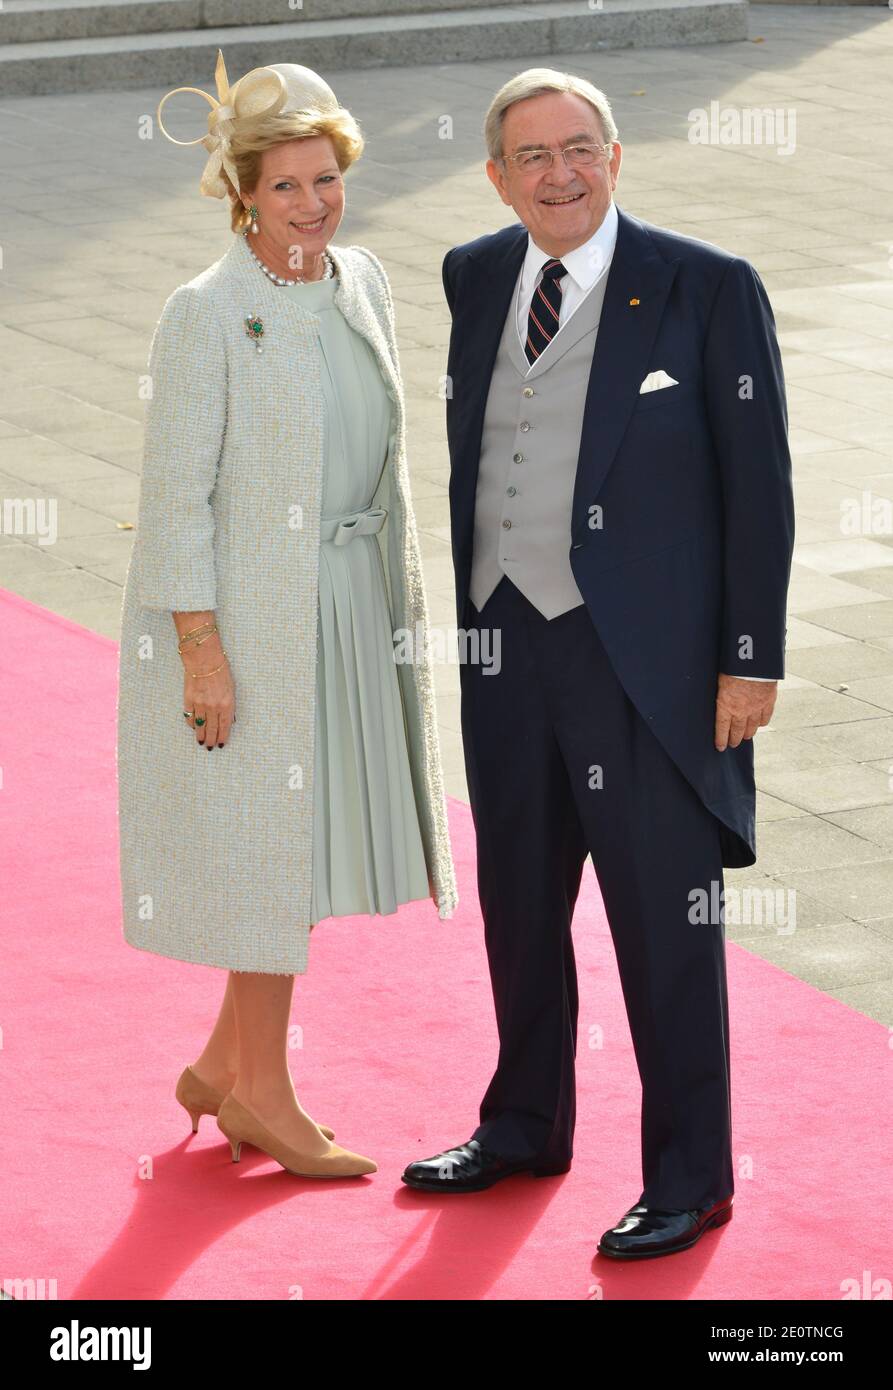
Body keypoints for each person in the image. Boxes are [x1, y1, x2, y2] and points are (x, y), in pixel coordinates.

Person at [401, 68, 794, 1259]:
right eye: (531, 156)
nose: (558, 174)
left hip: (649, 665)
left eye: (578, 149)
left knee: (662, 924)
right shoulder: (474, 276)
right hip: (503, 643)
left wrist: (747, 658)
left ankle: (689, 1172)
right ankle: (524, 1119)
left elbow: (758, 485)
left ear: (614, 156)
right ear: (495, 176)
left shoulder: (705, 287)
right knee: (519, 906)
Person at [116, 50, 457, 1181]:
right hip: (259, 624)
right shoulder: (206, 314)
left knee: (293, 850)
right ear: (240, 196)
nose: (312, 203)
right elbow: (172, 498)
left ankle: (222, 1063)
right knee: (275, 854)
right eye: (285, 186)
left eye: (325, 178)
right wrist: (199, 652)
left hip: (354, 603)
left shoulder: (362, 279)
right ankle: (262, 1093)